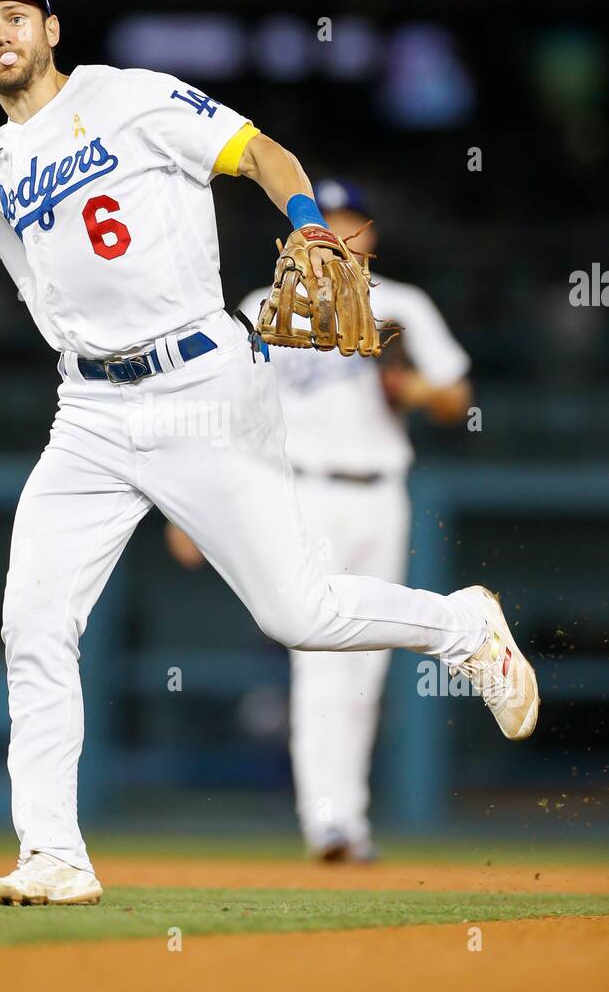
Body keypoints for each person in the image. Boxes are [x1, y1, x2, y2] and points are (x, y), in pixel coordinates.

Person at [0, 0, 538, 907]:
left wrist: (308, 225)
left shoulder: (133, 98)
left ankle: (462, 625)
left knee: (297, 615)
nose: (0, 34)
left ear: (52, 30)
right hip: (88, 410)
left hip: (200, 385)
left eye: (16, 16)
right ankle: (53, 853)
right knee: (34, 623)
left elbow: (263, 155)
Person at [167, 178, 472, 862]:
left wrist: (421, 391)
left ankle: (349, 821)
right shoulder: (262, 306)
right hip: (302, 492)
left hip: (383, 492)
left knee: (366, 664)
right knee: (319, 655)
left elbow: (457, 395)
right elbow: (224, 411)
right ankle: (326, 821)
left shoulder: (401, 303)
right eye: (324, 217)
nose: (336, 229)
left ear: (368, 230)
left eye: (348, 218)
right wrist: (193, 504)